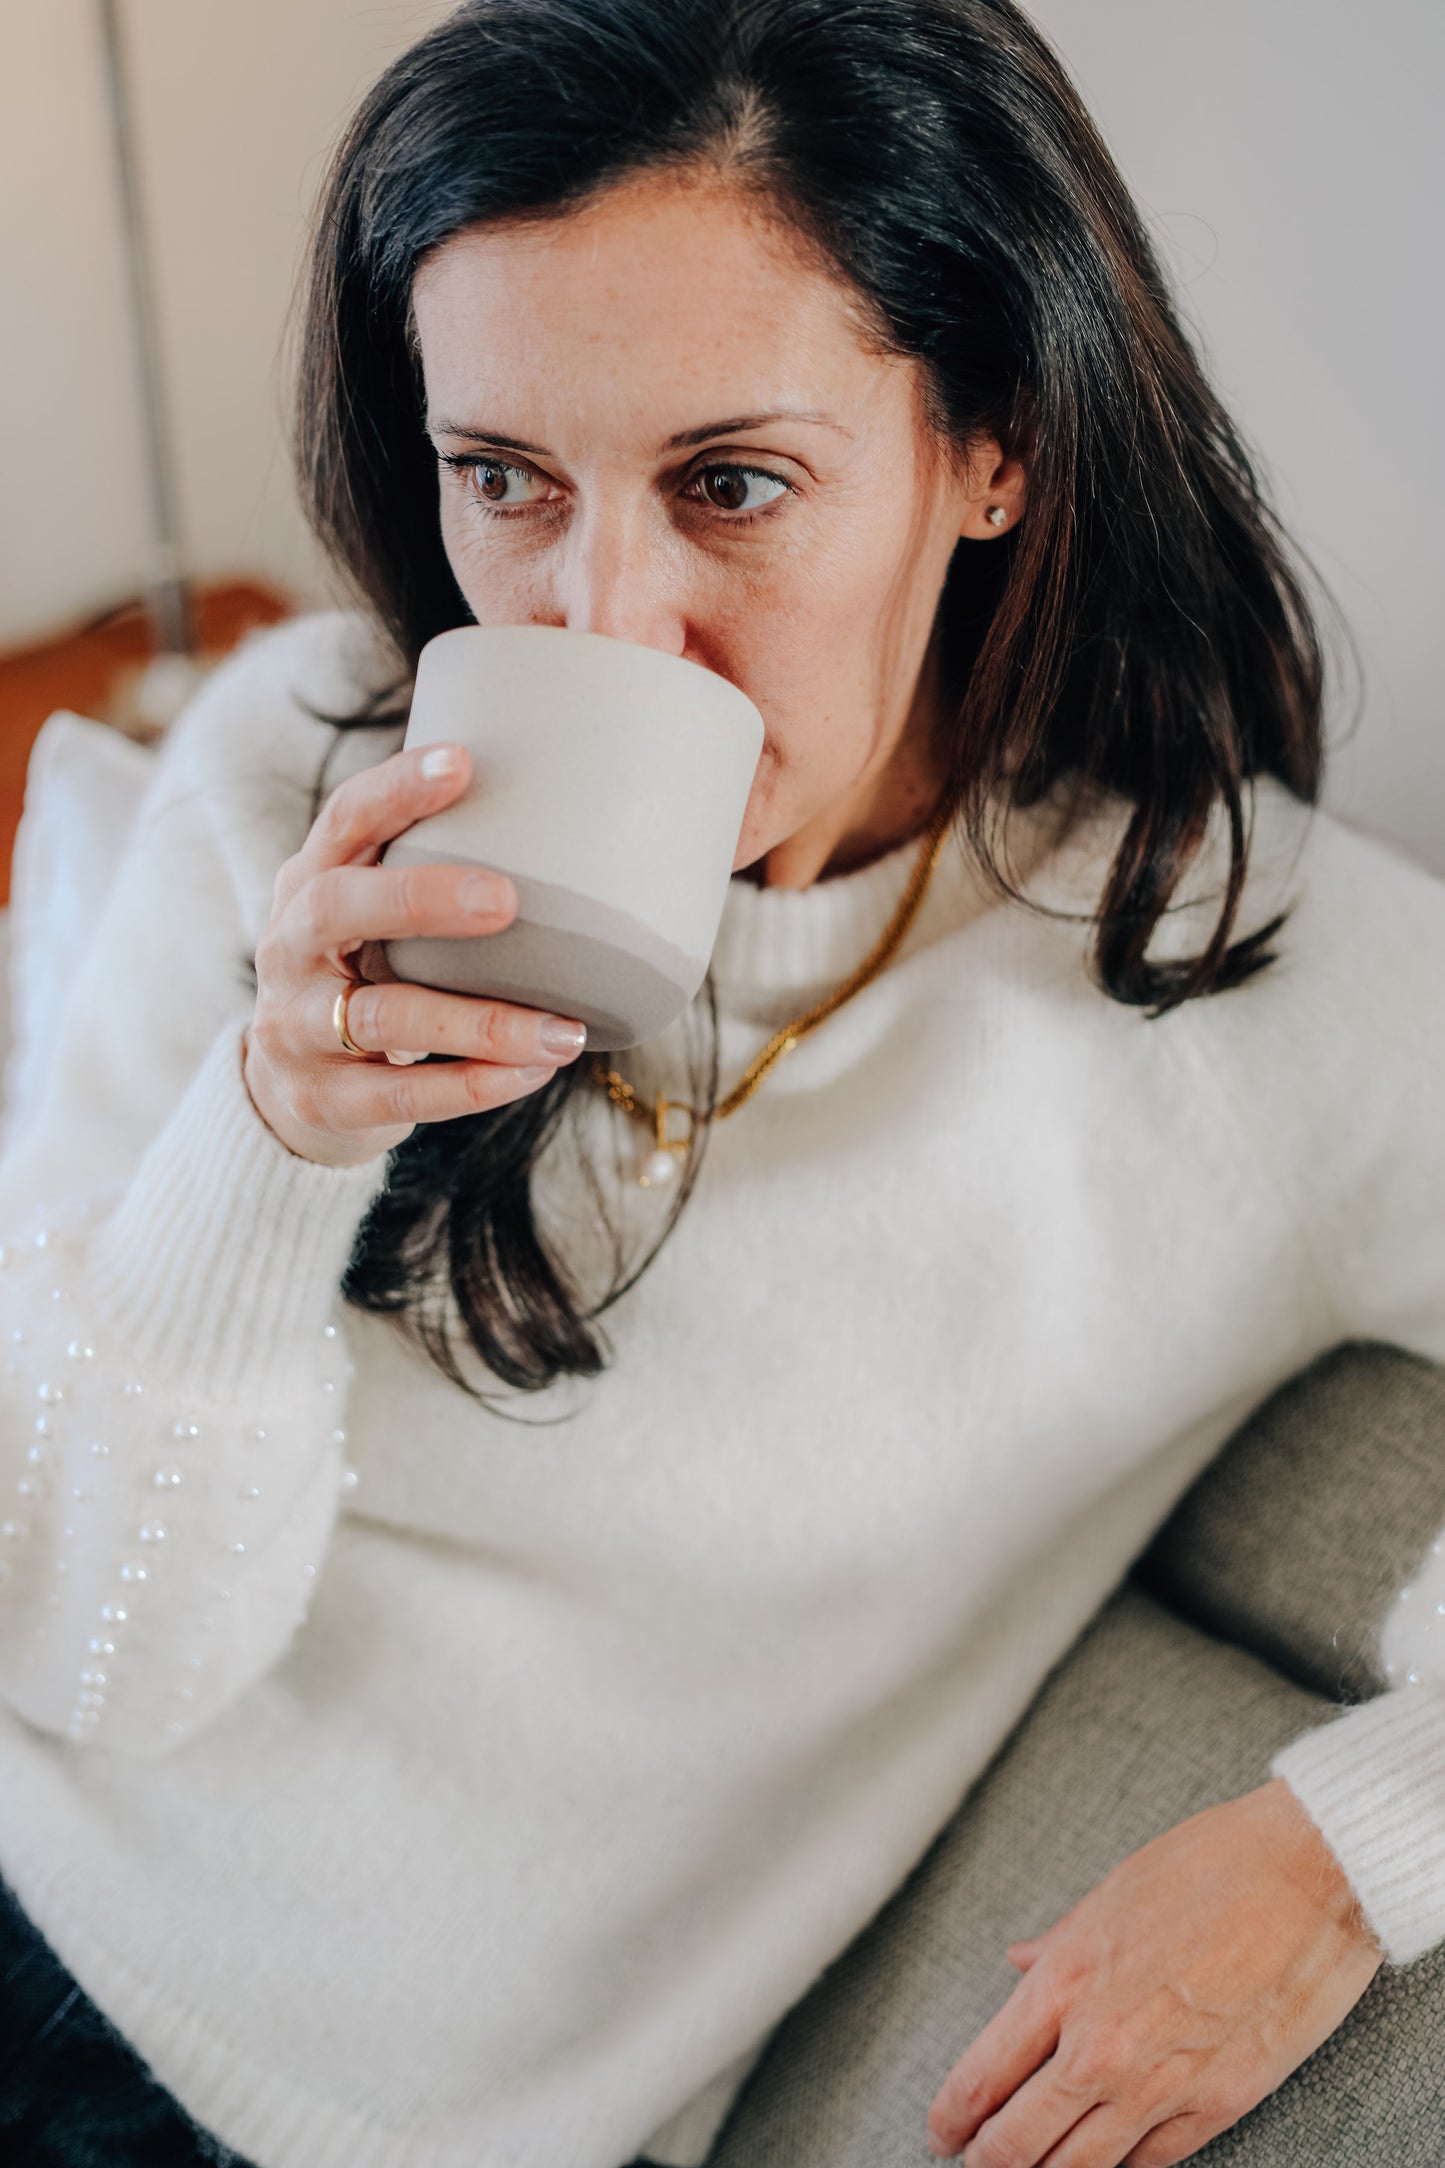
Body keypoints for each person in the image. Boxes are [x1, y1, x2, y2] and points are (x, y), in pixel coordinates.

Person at [1, 3, 1442, 2165]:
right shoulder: (295, 761)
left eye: (732, 483)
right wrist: (270, 1134)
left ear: (992, 444)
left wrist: (1351, 1851)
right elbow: (87, 1668)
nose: (606, 619)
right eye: (505, 479)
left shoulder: (1273, 982)